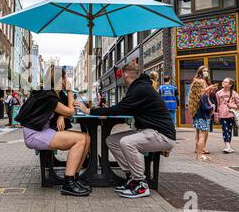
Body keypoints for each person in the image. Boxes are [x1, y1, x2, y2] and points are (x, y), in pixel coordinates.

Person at [75, 63, 176, 199]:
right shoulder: (139, 87)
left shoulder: (140, 88)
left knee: (127, 143)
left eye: (122, 75)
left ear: (126, 74)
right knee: (111, 141)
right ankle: (132, 177)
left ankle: (141, 184)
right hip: (148, 131)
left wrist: (89, 111)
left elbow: (119, 109)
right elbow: (122, 108)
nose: (121, 77)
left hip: (162, 135)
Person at [16, 65, 91, 197]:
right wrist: (69, 91)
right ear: (60, 79)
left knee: (86, 137)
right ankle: (68, 183)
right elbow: (71, 111)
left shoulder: (54, 94)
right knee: (80, 140)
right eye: (65, 78)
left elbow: (65, 111)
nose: (66, 80)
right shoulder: (47, 95)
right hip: (35, 134)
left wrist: (62, 115)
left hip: (44, 131)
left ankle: (74, 178)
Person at [189, 66, 217, 156]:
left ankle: (198, 147)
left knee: (201, 131)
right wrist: (208, 89)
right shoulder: (197, 81)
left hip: (204, 106)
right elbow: (199, 94)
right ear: (200, 72)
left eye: (207, 71)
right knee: (202, 131)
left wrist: (212, 90)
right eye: (204, 71)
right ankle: (201, 148)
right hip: (200, 108)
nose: (206, 72)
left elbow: (207, 95)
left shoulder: (206, 81)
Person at [216, 78, 239, 154]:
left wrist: (233, 105)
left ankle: (228, 146)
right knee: (225, 130)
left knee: (229, 130)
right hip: (222, 114)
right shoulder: (218, 93)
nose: (223, 83)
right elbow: (217, 105)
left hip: (231, 114)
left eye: (226, 82)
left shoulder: (234, 93)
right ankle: (227, 146)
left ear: (230, 85)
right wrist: (216, 115)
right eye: (223, 81)